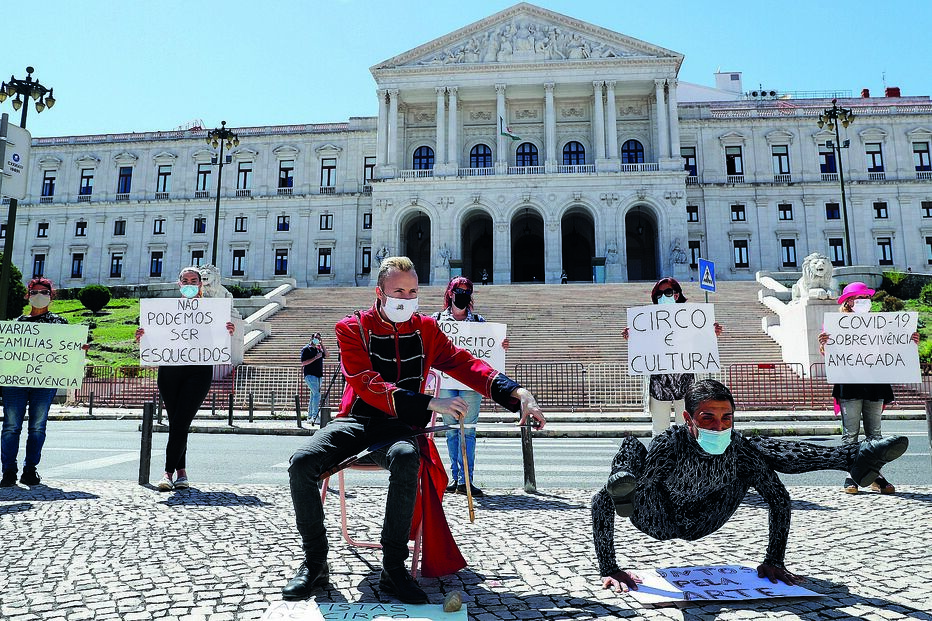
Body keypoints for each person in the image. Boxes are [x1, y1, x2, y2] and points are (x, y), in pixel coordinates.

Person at [283, 256, 546, 604]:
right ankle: (315, 561)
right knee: (301, 463)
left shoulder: (427, 329)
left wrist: (516, 392)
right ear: (380, 292)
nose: (406, 298)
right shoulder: (352, 327)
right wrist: (428, 404)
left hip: (398, 428)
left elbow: (464, 363)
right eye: (398, 291)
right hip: (355, 421)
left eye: (412, 291)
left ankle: (394, 568)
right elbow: (366, 383)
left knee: (408, 457)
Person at [591, 379, 909, 594]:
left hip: (707, 516)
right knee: (632, 447)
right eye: (708, 418)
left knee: (753, 448)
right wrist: (610, 566)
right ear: (688, 419)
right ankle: (624, 479)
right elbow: (601, 502)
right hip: (658, 517)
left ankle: (851, 458)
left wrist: (774, 559)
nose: (719, 426)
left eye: (727, 418)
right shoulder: (670, 444)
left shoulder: (738, 449)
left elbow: (778, 500)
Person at [135, 267, 235, 491]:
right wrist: (142, 336)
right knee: (178, 422)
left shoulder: (214, 310)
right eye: (185, 280)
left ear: (201, 284)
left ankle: (167, 473)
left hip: (199, 371)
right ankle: (182, 473)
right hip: (170, 370)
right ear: (179, 284)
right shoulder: (164, 311)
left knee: (180, 421)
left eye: (194, 280)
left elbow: (219, 338)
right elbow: (155, 337)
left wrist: (228, 330)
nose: (190, 283)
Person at [818, 281, 919, 495]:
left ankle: (875, 476)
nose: (865, 301)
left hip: (875, 381)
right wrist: (823, 343)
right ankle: (851, 475)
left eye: (867, 298)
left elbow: (895, 345)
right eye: (860, 298)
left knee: (875, 434)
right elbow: (828, 353)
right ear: (848, 302)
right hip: (849, 382)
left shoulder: (881, 323)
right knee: (850, 434)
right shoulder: (837, 324)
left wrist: (910, 341)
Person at [432, 277, 509, 497]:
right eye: (459, 290)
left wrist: (501, 345)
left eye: (467, 290)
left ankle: (467, 479)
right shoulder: (437, 320)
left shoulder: (478, 321)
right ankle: (455, 477)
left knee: (469, 430)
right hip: (445, 379)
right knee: (451, 431)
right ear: (450, 292)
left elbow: (491, 346)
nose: (463, 294)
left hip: (470, 382)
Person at [621, 277, 722, 436]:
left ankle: (685, 460)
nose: (662, 296)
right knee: (660, 430)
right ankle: (660, 459)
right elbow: (644, 346)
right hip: (659, 384)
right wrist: (633, 337)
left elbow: (700, 341)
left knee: (687, 429)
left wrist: (711, 333)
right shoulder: (649, 320)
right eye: (658, 295)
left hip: (685, 382)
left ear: (676, 294)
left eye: (667, 292)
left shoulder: (690, 317)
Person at [1, 278, 72, 487]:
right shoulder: (15, 325)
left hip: (45, 381)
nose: (39, 295)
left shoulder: (60, 324)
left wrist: (79, 349)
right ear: (27, 295)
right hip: (15, 382)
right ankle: (8, 471)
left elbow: (68, 351)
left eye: (44, 292)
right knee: (11, 426)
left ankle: (30, 470)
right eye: (34, 292)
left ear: (51, 295)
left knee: (38, 427)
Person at [300, 332, 328, 425]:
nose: (317, 339)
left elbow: (327, 355)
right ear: (312, 338)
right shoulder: (306, 349)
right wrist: (315, 358)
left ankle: (310, 416)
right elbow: (303, 363)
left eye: (319, 338)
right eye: (316, 337)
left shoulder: (318, 350)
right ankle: (315, 416)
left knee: (313, 395)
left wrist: (322, 344)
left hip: (318, 375)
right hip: (310, 375)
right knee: (316, 394)